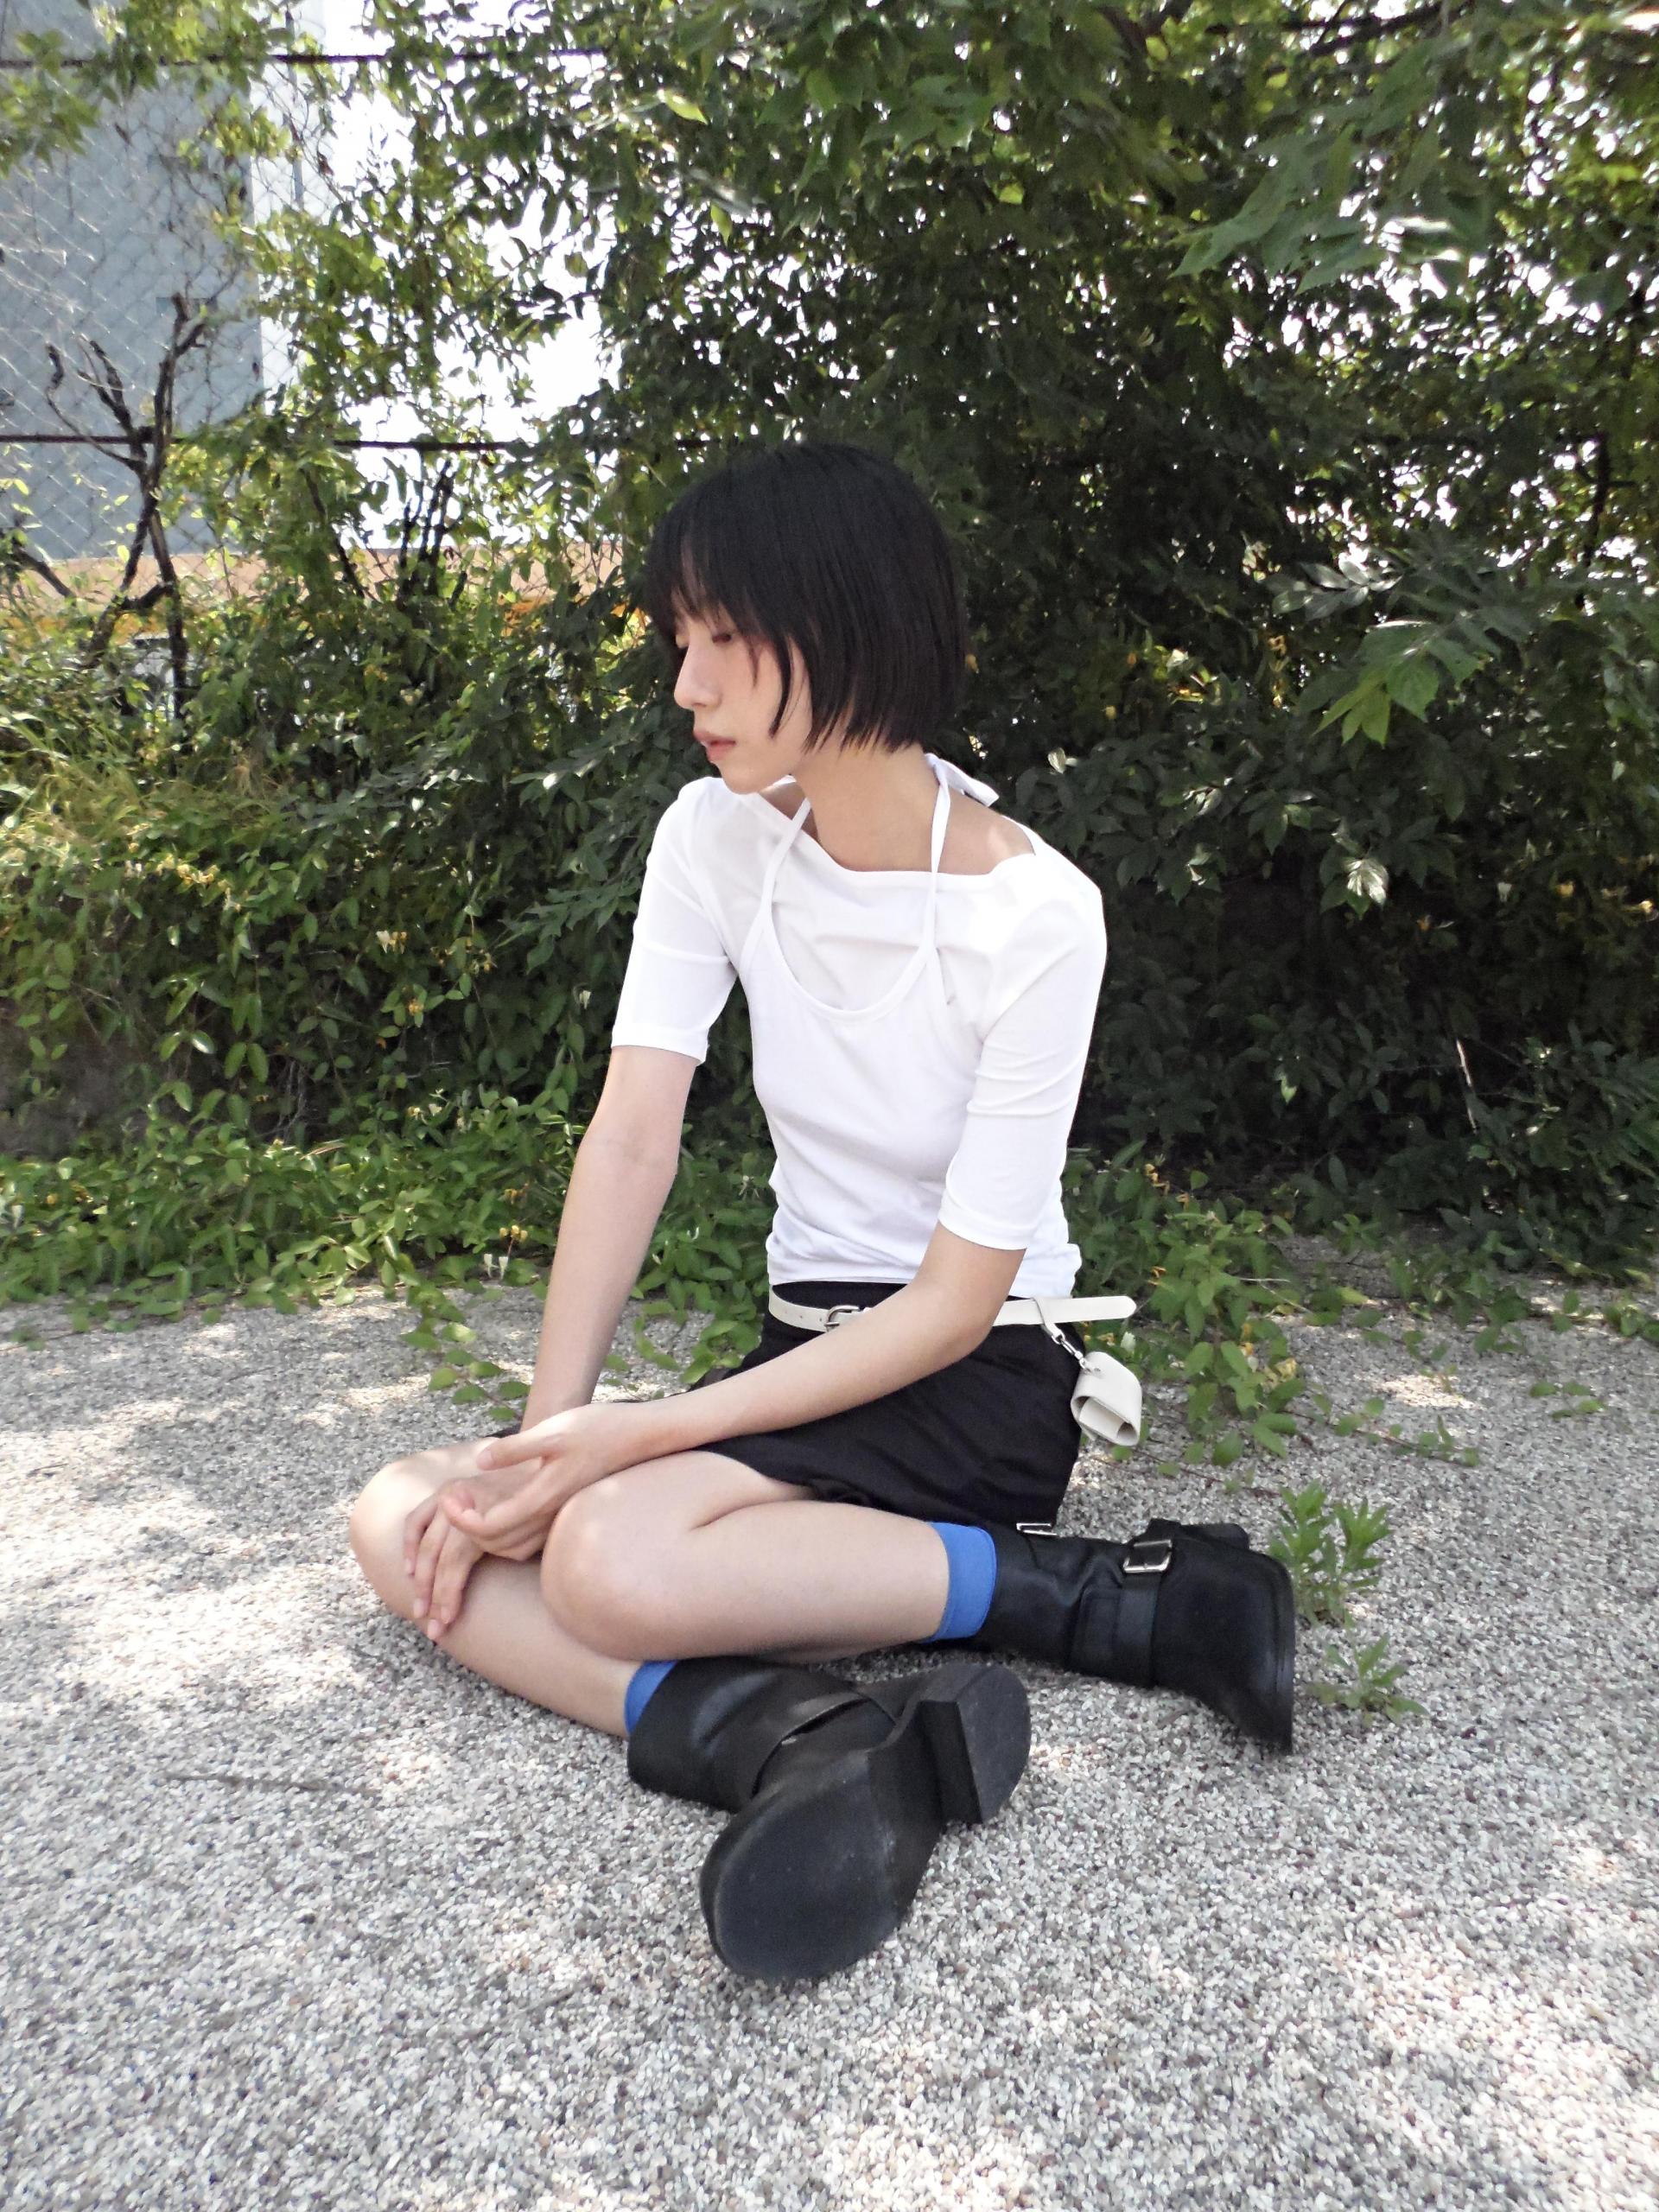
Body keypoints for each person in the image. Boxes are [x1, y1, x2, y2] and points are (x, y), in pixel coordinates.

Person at [347, 440, 1294, 1982]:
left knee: (604, 1564)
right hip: (805, 1354)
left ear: (845, 623)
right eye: (682, 641)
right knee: (403, 1514)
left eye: (723, 638)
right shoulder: (711, 838)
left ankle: (1087, 1594)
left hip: (975, 1371)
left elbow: (955, 1303)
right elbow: (634, 1137)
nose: (687, 685)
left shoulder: (1037, 915)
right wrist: (542, 1444)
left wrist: (623, 1451)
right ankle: (803, 1742)